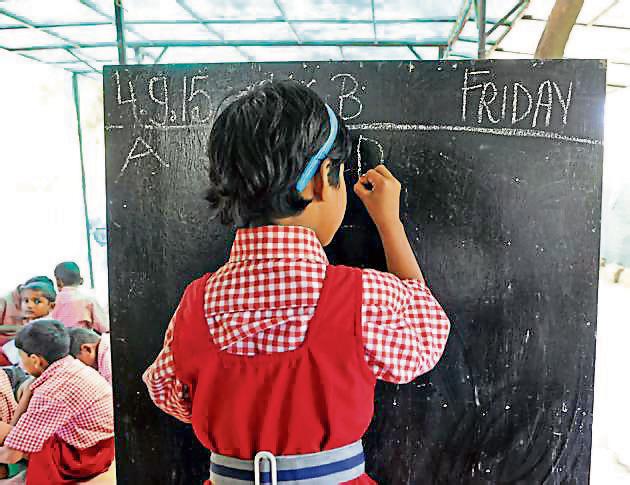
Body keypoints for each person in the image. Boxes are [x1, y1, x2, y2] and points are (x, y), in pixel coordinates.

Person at [143, 80, 451, 484]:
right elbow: (426, 336)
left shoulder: (197, 302)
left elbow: (169, 392)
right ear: (323, 178)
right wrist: (389, 224)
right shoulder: (365, 297)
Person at [0, 320, 114, 485]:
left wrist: (11, 442)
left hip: (85, 456)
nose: (20, 362)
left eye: (21, 357)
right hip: (103, 445)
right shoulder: (72, 366)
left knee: (6, 432)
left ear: (36, 360)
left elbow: (13, 454)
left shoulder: (51, 392)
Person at [51, 262, 109, 333]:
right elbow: (103, 326)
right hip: (81, 340)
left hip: (58, 341)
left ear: (59, 281)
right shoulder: (88, 300)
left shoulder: (54, 301)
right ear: (81, 280)